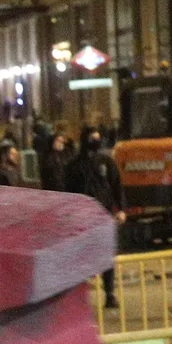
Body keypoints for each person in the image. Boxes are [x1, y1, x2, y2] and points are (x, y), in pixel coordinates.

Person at [66, 128, 126, 306]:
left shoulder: (106, 161)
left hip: (103, 213)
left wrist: (121, 208)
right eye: (93, 138)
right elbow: (68, 191)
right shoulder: (74, 165)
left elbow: (117, 185)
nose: (96, 141)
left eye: (98, 138)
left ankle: (109, 294)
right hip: (82, 216)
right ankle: (79, 298)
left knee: (106, 255)